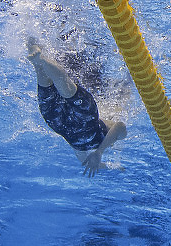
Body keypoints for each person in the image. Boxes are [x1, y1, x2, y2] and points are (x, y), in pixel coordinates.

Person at [26, 37, 127, 177]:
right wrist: (100, 155)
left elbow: (120, 127)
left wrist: (101, 156)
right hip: (60, 123)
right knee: (56, 85)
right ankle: (37, 57)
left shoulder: (95, 146)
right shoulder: (94, 147)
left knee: (64, 84)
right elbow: (120, 126)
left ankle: (39, 57)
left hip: (69, 121)